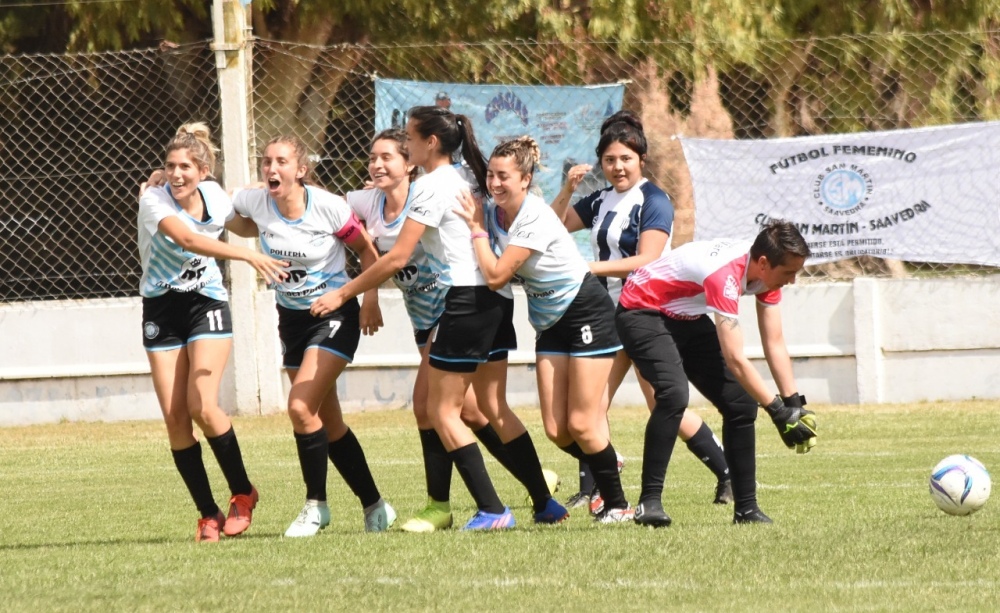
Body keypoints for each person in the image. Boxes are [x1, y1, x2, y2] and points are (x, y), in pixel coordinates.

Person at [312, 106, 567, 529]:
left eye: (409, 139)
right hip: (497, 299)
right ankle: (545, 503)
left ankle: (492, 510)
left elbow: (397, 256)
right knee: (492, 406)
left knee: (440, 409)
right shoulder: (468, 177)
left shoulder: (430, 187)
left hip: (465, 301)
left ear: (430, 143)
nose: (406, 145)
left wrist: (344, 292)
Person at [550, 110, 732, 512]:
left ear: (641, 159)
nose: (617, 167)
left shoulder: (654, 200)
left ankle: (727, 471)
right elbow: (552, 224)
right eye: (610, 160)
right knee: (594, 406)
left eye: (626, 159)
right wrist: (566, 188)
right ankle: (597, 487)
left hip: (648, 313)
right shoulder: (599, 199)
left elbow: (647, 258)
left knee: (659, 404)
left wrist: (589, 268)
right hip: (608, 314)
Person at [455, 136, 633, 523]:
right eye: (490, 175)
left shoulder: (528, 215)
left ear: (525, 179)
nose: (495, 183)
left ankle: (618, 507)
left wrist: (475, 230)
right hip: (549, 320)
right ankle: (606, 457)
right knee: (557, 430)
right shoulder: (498, 211)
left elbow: (497, 276)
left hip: (584, 310)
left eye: (504, 176)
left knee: (582, 423)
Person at [229, 135, 397, 537]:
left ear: (300, 169)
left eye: (282, 161)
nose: (272, 168)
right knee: (327, 422)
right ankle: (376, 505)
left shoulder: (327, 207)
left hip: (336, 315)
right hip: (292, 320)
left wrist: (369, 299)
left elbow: (369, 252)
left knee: (301, 407)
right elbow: (221, 212)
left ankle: (315, 506)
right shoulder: (256, 202)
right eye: (267, 161)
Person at [137, 122, 288, 542]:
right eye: (170, 166)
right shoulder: (153, 200)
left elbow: (245, 225)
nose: (176, 174)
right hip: (162, 310)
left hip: (206, 304)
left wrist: (279, 202)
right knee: (175, 419)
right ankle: (208, 513)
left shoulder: (216, 196)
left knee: (203, 404)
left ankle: (243, 492)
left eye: (185, 166)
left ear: (203, 171)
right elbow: (187, 239)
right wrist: (246, 258)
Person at [615, 219, 818, 526]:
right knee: (673, 395)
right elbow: (735, 358)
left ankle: (746, 510)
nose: (792, 281)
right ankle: (649, 503)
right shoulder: (725, 274)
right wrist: (776, 411)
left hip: (685, 314)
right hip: (642, 310)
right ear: (763, 263)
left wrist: (794, 404)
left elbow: (774, 342)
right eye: (788, 272)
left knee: (741, 403)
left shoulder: (766, 275)